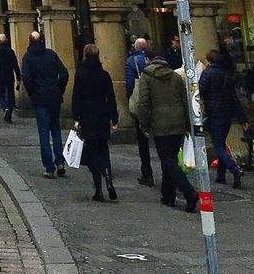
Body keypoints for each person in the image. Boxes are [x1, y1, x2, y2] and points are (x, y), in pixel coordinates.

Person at [134, 48, 198, 213]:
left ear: (149, 61)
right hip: (177, 122)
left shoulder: (146, 77)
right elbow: (185, 100)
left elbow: (143, 103)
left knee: (168, 160)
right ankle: (167, 195)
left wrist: (144, 124)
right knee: (169, 160)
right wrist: (186, 123)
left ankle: (189, 192)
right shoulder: (176, 77)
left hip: (160, 122)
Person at [71, 43, 119, 202]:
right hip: (102, 115)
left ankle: (98, 188)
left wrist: (76, 117)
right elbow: (111, 98)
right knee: (103, 150)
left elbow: (76, 96)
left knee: (92, 152)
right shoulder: (104, 75)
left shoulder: (81, 74)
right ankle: (109, 181)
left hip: (87, 116)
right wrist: (114, 119)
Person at [21, 31, 69, 178]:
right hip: (54, 96)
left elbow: (26, 78)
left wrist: (32, 93)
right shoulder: (51, 54)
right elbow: (65, 73)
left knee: (43, 132)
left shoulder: (28, 57)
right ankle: (60, 161)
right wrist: (58, 89)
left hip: (40, 97)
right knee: (55, 129)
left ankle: (49, 167)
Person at [199, 48, 244, 189]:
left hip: (213, 113)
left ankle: (234, 169)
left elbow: (200, 90)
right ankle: (221, 175)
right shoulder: (226, 74)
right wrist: (243, 118)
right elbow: (234, 97)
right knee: (222, 143)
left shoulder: (208, 73)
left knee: (218, 146)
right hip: (227, 113)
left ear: (209, 59)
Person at [124, 38, 155, 186]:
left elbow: (130, 84)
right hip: (157, 103)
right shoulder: (156, 59)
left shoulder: (132, 61)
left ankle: (147, 173)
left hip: (141, 103)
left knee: (143, 141)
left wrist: (130, 97)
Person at [0, 34, 21, 122]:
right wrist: (18, 76)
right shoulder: (10, 51)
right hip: (10, 76)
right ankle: (9, 112)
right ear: (6, 40)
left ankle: (5, 107)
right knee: (11, 95)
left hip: (1, 76)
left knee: (1, 94)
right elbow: (15, 65)